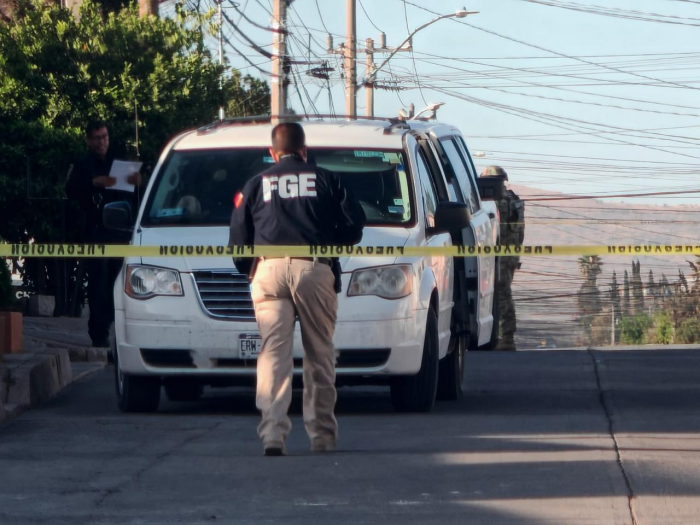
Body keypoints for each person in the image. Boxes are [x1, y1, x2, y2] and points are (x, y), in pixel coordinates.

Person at [229, 122, 365, 456]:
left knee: (273, 355)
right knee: (319, 353)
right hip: (313, 268)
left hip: (268, 271)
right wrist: (329, 240)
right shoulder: (326, 179)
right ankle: (322, 437)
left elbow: (238, 239)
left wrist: (250, 269)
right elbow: (354, 226)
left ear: (272, 152)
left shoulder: (256, 184)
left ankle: (273, 435)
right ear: (305, 151)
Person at [66, 120, 141, 348]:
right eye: (97, 138)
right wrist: (93, 183)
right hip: (95, 231)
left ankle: (117, 329)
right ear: (88, 140)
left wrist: (137, 182)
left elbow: (133, 193)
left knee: (118, 283)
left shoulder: (118, 161)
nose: (102, 142)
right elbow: (71, 191)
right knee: (98, 283)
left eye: (105, 137)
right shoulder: (83, 165)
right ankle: (99, 334)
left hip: (119, 232)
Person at [481, 166, 525, 351]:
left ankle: (505, 337)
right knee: (499, 293)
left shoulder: (494, 202)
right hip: (507, 256)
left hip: (498, 256)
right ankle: (499, 336)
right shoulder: (514, 200)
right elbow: (520, 233)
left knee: (500, 293)